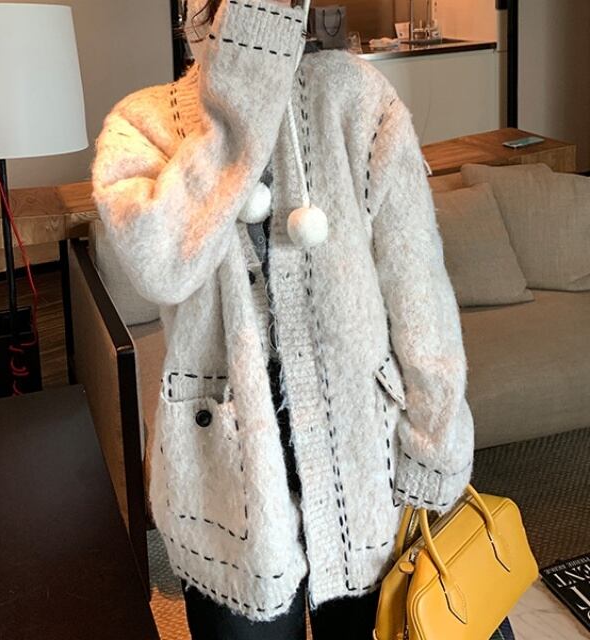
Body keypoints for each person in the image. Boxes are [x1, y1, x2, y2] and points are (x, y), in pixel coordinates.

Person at [91, 0, 474, 637]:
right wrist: (242, 94)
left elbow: (418, 286)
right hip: (225, 477)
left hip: (362, 456)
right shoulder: (143, 123)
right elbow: (163, 267)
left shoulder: (357, 99)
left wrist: (434, 438)